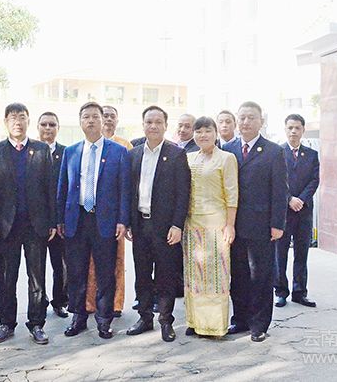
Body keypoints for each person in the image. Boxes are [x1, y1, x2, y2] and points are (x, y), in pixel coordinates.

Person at [58, 102, 130, 340]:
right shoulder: (71, 151)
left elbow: (124, 189)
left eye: (95, 117)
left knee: (105, 272)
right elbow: (63, 187)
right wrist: (60, 219)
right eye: (86, 117)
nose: (90, 121)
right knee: (76, 272)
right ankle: (78, 317)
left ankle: (104, 319)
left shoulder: (117, 151)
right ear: (80, 122)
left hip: (105, 220)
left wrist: (123, 220)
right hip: (76, 219)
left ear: (102, 121)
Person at [0, 103, 56, 345]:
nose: (18, 121)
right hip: (6, 226)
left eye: (22, 117)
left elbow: (50, 188)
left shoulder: (41, 150)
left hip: (36, 225)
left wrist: (52, 222)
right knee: (7, 277)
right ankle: (6, 323)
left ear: (28, 121)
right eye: (13, 117)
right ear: (6, 122)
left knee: (37, 277)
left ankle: (36, 324)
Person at [222, 101, 288, 343]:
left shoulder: (273, 151)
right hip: (233, 224)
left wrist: (278, 224)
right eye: (242, 118)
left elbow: (280, 191)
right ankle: (240, 319)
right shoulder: (228, 149)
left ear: (261, 121)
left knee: (260, 276)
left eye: (251, 117)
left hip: (261, 225)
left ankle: (259, 324)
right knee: (238, 275)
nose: (246, 122)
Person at [125, 106, 191, 343]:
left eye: (158, 122)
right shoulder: (133, 154)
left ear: (165, 125)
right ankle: (144, 317)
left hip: (165, 227)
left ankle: (165, 320)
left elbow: (183, 193)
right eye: (149, 122)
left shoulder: (176, 154)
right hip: (139, 224)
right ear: (143, 125)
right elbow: (128, 191)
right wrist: (128, 222)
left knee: (165, 275)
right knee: (142, 274)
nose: (153, 126)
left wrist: (177, 225)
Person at [182, 117, 239, 338]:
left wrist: (230, 225)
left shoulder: (226, 158)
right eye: (198, 131)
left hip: (217, 226)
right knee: (194, 276)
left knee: (215, 277)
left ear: (215, 133)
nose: (203, 135)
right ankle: (195, 322)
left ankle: (214, 325)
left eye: (207, 130)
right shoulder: (188, 158)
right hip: (191, 225)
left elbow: (232, 194)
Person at [275, 114, 319, 309]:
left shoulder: (311, 155)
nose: (293, 131)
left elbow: (314, 180)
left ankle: (300, 292)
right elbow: (276, 181)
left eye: (297, 128)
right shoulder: (277, 153)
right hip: (283, 212)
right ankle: (280, 292)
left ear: (303, 130)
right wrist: (289, 199)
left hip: (304, 211)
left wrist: (301, 199)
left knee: (302, 253)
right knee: (280, 254)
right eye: (290, 127)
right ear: (285, 129)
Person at [90, 105, 130, 318]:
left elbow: (127, 185)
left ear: (117, 120)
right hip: (90, 215)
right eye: (104, 115)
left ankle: (115, 303)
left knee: (116, 261)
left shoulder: (124, 146)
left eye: (112, 116)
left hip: (114, 217)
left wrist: (125, 218)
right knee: (90, 263)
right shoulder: (87, 146)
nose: (108, 119)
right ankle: (90, 303)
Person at [37, 112, 69, 319]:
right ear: (37, 127)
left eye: (52, 124)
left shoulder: (67, 153)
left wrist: (60, 220)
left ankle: (60, 301)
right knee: (37, 267)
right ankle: (39, 302)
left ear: (58, 128)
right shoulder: (30, 151)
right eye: (44, 124)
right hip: (37, 221)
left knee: (61, 265)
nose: (48, 128)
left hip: (60, 221)